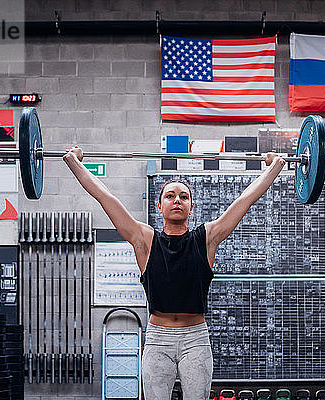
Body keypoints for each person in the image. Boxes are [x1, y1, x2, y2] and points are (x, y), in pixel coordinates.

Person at [63, 146, 286, 400]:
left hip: (196, 339)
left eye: (183, 196)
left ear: (191, 207)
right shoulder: (145, 240)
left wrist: (275, 166)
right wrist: (74, 162)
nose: (177, 200)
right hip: (158, 339)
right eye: (170, 196)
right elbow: (106, 198)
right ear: (159, 206)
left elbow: (245, 201)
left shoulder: (207, 238)